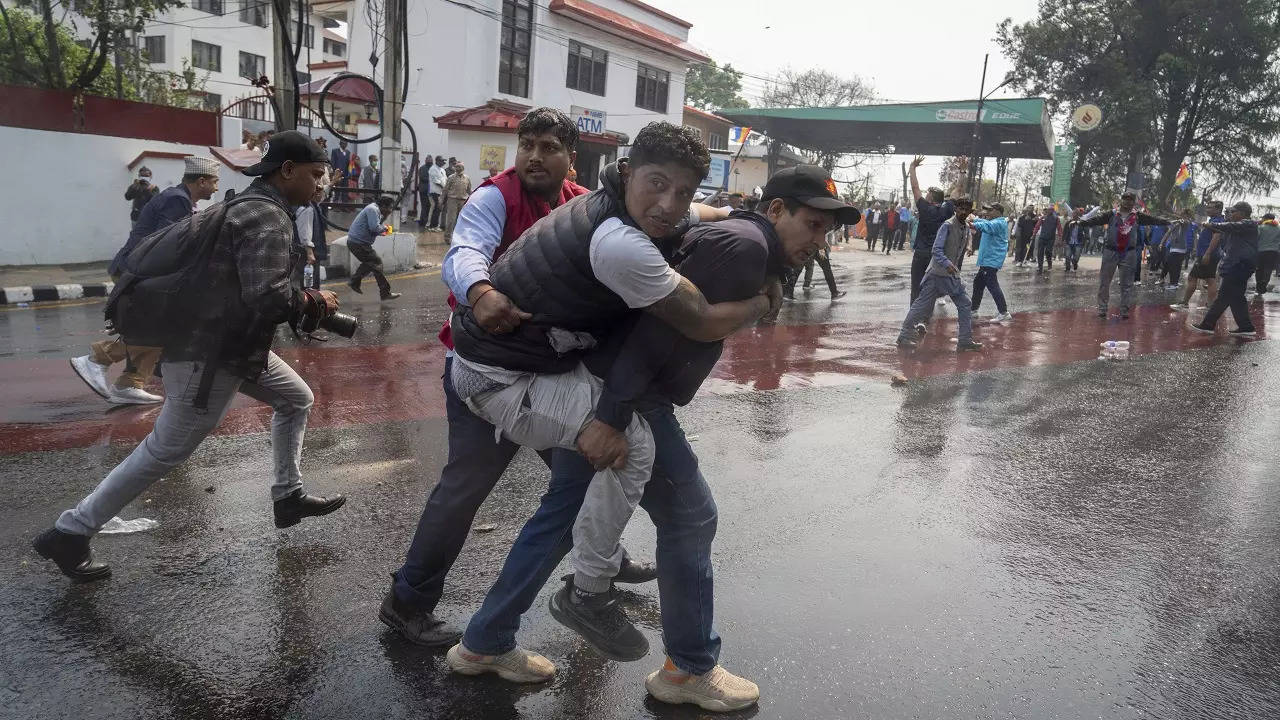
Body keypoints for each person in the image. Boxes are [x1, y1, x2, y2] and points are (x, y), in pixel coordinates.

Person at [450, 165, 855, 712]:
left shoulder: (736, 236)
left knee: (563, 515)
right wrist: (613, 416)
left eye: (827, 230)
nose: (819, 240)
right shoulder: (744, 250)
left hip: (602, 382)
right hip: (627, 394)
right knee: (691, 515)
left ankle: (483, 643)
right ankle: (688, 668)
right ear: (776, 210)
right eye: (812, 224)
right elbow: (654, 331)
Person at [444, 121, 775, 668]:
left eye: (684, 191)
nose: (669, 204)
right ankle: (590, 593)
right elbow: (697, 318)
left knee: (566, 501)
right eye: (657, 184)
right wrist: (765, 299)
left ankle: (484, 644)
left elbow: (703, 215)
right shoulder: (619, 242)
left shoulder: (628, 204)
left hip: (527, 362)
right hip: (501, 378)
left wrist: (738, 217)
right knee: (628, 444)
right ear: (628, 173)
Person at [382, 108, 667, 649]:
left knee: (594, 463)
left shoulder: (580, 203)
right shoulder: (494, 196)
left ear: (570, 157)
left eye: (548, 148)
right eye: (527, 145)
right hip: (488, 373)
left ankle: (600, 564)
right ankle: (408, 601)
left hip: (549, 372)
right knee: (465, 490)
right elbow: (464, 251)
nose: (535, 157)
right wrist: (481, 292)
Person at [33, 132, 347, 582]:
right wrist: (315, 300)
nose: (321, 185)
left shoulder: (249, 205)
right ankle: (70, 531)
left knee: (296, 398)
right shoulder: (265, 216)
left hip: (233, 347)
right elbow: (267, 297)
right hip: (209, 354)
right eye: (316, 175)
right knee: (165, 450)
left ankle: (287, 495)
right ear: (288, 171)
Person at [72, 157, 222, 406]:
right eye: (215, 182)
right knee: (152, 328)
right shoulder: (178, 200)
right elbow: (170, 243)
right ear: (202, 181)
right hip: (137, 270)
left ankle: (129, 384)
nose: (216, 188)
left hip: (141, 268)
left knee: (158, 328)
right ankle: (97, 358)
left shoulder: (181, 198)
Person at [895, 197, 982, 351]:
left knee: (962, 304)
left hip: (949, 275)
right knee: (923, 305)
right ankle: (904, 335)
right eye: (960, 208)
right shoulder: (947, 226)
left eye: (966, 209)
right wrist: (947, 263)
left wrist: (968, 248)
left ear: (970, 212)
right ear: (955, 209)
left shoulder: (965, 228)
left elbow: (964, 240)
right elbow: (936, 249)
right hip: (938, 274)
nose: (963, 212)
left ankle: (964, 341)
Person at [1078, 192, 1171, 319]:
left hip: (1129, 253)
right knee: (1104, 282)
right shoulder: (1111, 214)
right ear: (1121, 200)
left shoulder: (1138, 216)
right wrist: (1081, 223)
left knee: (1127, 284)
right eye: (1125, 199)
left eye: (1130, 199)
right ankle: (1102, 308)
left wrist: (1168, 222)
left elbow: (1154, 219)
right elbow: (1096, 220)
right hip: (1110, 252)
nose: (1127, 201)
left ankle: (1124, 310)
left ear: (1134, 202)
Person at [1189, 201, 1259, 336]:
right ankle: (1246, 327)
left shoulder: (1248, 224)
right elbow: (1225, 234)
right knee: (1236, 298)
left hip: (1239, 266)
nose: (1230, 214)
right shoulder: (1238, 227)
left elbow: (1228, 226)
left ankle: (1208, 324)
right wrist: (1214, 226)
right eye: (1229, 212)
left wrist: (1211, 224)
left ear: (1242, 214)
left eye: (1233, 212)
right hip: (1236, 266)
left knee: (1224, 297)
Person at [907, 156, 955, 303]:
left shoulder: (924, 208)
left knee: (916, 286)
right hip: (936, 256)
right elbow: (957, 191)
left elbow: (915, 187)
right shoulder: (946, 210)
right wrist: (963, 172)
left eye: (927, 193)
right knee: (930, 287)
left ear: (932, 199)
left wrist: (912, 168)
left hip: (921, 253)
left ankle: (914, 316)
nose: (925, 195)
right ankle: (926, 316)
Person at [345, 195, 401, 301]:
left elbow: (372, 228)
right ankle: (355, 281)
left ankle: (356, 282)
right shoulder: (373, 209)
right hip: (358, 243)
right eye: (389, 208)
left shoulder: (375, 210)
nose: (390, 211)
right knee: (376, 262)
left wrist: (381, 231)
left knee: (374, 265)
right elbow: (374, 227)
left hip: (360, 243)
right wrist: (386, 228)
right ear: (383, 206)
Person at [1172, 202, 1224, 310]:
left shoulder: (1218, 222)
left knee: (1197, 278)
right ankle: (1209, 306)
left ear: (1218, 210)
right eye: (1207, 207)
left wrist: (1207, 253)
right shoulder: (1213, 221)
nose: (1207, 209)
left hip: (1208, 254)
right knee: (1209, 279)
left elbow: (1217, 237)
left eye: (1210, 208)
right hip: (1207, 254)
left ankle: (1185, 303)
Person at [969, 202, 1012, 322]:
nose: (987, 212)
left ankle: (1003, 312)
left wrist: (971, 224)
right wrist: (975, 220)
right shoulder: (994, 221)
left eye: (990, 210)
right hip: (988, 259)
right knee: (978, 283)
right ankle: (973, 310)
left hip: (991, 260)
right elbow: (984, 223)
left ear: (998, 211)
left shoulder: (999, 222)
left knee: (992, 285)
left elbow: (986, 226)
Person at [295, 183, 329, 291]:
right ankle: (309, 305)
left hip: (312, 251)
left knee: (311, 282)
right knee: (309, 285)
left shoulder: (313, 205)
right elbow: (305, 232)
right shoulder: (307, 208)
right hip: (308, 252)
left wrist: (332, 183)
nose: (320, 194)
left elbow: (323, 196)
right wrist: (309, 253)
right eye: (317, 192)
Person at [1160, 209, 1196, 289]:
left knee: (1175, 267)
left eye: (1184, 215)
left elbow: (1184, 222)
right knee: (1172, 265)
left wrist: (1177, 219)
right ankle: (1173, 282)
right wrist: (1162, 243)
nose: (1182, 216)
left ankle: (1173, 284)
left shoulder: (1186, 223)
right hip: (1173, 248)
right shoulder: (1176, 223)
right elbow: (1168, 232)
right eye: (1181, 214)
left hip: (1180, 249)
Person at [443, 161, 472, 243]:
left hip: (463, 201)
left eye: (460, 167)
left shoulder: (467, 178)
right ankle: (448, 238)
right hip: (452, 200)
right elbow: (445, 190)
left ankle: (459, 238)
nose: (458, 168)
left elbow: (469, 190)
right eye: (457, 167)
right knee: (451, 220)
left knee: (461, 220)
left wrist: (474, 197)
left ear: (463, 168)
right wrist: (441, 200)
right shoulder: (451, 177)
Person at [1253, 213, 1280, 295]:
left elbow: (1256, 238)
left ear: (1265, 218)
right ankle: (1264, 283)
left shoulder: (1261, 227)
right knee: (1268, 269)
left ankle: (1258, 287)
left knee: (1259, 269)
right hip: (1273, 252)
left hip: (1260, 252)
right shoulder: (1278, 229)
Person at [1032, 205, 1060, 272]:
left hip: (1051, 238)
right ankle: (1040, 266)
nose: (1050, 211)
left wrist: (1060, 237)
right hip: (1042, 237)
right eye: (1049, 209)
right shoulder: (1043, 217)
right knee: (1040, 252)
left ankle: (1049, 264)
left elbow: (1059, 228)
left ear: (1053, 211)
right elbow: (1037, 226)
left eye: (1051, 210)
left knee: (1048, 252)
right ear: (1047, 210)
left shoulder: (1056, 218)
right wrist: (1034, 234)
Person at [1061, 207, 1088, 271]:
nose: (1074, 215)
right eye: (1073, 214)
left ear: (1078, 214)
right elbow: (1064, 232)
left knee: (1077, 256)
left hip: (1078, 242)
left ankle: (1074, 263)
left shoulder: (1082, 223)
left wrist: (1086, 239)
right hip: (1069, 242)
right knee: (1067, 256)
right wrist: (1063, 240)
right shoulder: (1068, 223)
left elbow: (1086, 231)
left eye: (1075, 214)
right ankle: (1067, 269)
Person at [428, 155, 448, 230]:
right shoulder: (433, 169)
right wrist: (445, 188)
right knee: (437, 208)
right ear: (437, 161)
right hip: (435, 191)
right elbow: (436, 181)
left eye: (444, 161)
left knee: (439, 209)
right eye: (442, 161)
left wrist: (446, 188)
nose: (443, 162)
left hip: (442, 192)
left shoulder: (442, 170)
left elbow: (445, 180)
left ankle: (435, 225)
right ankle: (433, 226)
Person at [417, 154, 433, 227]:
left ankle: (424, 221)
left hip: (430, 190)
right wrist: (432, 180)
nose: (430, 161)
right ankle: (423, 221)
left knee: (429, 206)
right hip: (424, 190)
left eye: (431, 160)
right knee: (424, 206)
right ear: (426, 160)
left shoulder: (433, 168)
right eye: (429, 160)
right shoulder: (422, 168)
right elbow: (423, 178)